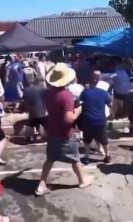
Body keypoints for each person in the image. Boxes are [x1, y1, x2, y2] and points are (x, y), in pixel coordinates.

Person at [35, 63, 92, 196]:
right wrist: (78, 110)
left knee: (50, 159)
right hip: (65, 133)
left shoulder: (47, 93)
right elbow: (69, 119)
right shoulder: (66, 96)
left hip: (52, 130)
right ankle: (82, 180)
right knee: (75, 159)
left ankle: (42, 184)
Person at [80, 70, 111, 164]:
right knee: (104, 140)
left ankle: (86, 156)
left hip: (88, 120)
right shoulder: (104, 92)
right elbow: (110, 103)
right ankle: (107, 155)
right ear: (99, 80)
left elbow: (79, 103)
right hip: (100, 120)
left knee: (87, 141)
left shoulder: (85, 92)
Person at [23, 77, 48, 142]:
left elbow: (25, 101)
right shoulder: (44, 89)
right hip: (42, 113)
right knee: (46, 125)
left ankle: (27, 138)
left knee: (30, 124)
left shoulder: (27, 90)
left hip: (32, 113)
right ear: (41, 82)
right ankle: (46, 136)